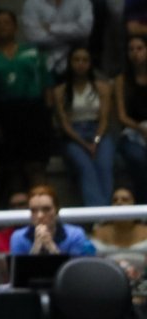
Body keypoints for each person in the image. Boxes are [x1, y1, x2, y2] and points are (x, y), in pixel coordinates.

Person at [0, 9, 53, 200]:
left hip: (33, 112)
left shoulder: (32, 52)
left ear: (15, 26)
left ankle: (44, 206)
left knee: (36, 166)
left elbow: (47, 86)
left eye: (7, 22)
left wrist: (47, 116)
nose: (2, 27)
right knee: (11, 170)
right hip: (4, 114)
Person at [52, 45, 115, 207]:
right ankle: (98, 217)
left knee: (105, 166)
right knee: (85, 167)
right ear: (70, 63)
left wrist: (95, 141)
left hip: (98, 131)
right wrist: (85, 145)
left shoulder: (102, 87)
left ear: (90, 63)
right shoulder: (60, 91)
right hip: (73, 135)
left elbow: (104, 119)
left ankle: (107, 213)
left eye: (85, 60)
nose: (81, 64)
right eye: (76, 60)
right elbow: (64, 124)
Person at [22, 0, 95, 78]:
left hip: (75, 65)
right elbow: (35, 37)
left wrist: (52, 28)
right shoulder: (31, 3)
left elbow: (85, 31)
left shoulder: (80, 0)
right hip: (44, 65)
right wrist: (72, 35)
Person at [9, 184, 95, 256]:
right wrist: (36, 248)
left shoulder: (75, 235)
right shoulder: (18, 237)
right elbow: (20, 273)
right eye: (34, 210)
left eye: (46, 209)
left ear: (56, 210)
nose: (40, 216)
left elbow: (76, 272)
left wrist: (51, 247)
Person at [115, 35, 147, 201]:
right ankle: (143, 205)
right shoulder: (122, 80)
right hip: (132, 131)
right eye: (131, 49)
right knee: (138, 158)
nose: (135, 53)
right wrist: (140, 129)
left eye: (140, 48)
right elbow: (121, 115)